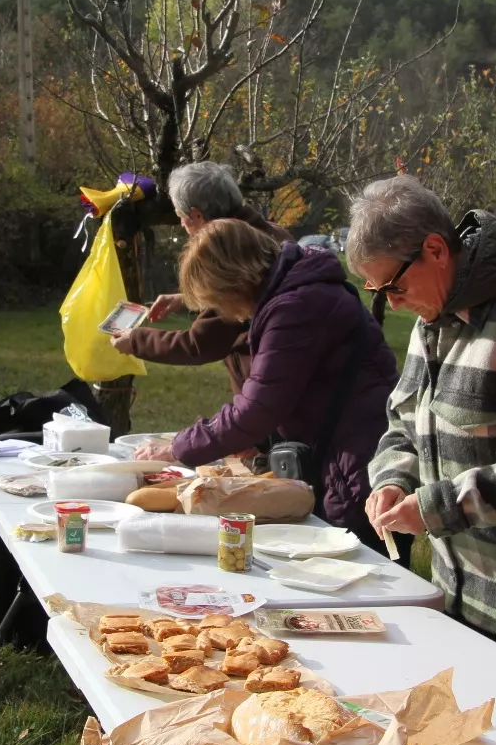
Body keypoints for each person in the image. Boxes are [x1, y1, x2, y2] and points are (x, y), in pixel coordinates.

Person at [348, 176, 496, 683]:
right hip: (453, 596)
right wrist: (391, 481)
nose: (392, 304)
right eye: (378, 291)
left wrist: (431, 509)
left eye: (395, 286)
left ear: (435, 249)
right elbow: (401, 422)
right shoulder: (431, 318)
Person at [132, 219, 407, 562]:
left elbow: (257, 409)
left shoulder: (294, 306)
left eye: (216, 301)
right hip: (348, 450)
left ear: (233, 282)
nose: (222, 313)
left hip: (356, 462)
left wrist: (177, 447)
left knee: (360, 570)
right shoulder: (296, 290)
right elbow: (291, 386)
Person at [110, 161, 292, 394]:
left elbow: (200, 344)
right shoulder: (272, 233)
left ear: (196, 215)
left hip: (269, 393)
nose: (183, 226)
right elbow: (254, 295)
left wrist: (136, 341)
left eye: (180, 217)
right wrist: (187, 298)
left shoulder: (229, 256)